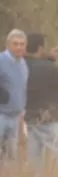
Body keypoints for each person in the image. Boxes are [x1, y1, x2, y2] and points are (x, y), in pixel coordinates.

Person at [24, 33, 58, 171]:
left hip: (30, 117)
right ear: (41, 48)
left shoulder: (22, 65)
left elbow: (37, 65)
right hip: (49, 117)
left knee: (34, 158)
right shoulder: (46, 67)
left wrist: (49, 58)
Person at [0, 29, 29, 163]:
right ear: (8, 44)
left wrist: (21, 118)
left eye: (22, 44)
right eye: (15, 44)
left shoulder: (23, 64)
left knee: (11, 159)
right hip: (1, 114)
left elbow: (22, 91)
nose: (18, 47)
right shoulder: (1, 60)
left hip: (15, 117)